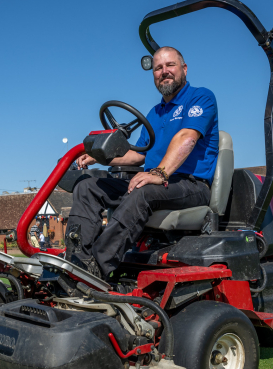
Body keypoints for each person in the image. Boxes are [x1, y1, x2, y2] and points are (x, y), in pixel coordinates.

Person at [66, 46, 219, 279]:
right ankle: (76, 260)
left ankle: (97, 268)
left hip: (191, 185)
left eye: (170, 65)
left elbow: (186, 137)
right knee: (87, 186)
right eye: (158, 68)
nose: (164, 71)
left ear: (184, 69)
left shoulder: (201, 97)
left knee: (143, 190)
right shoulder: (155, 113)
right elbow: (138, 155)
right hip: (156, 183)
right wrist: (99, 156)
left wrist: (159, 173)